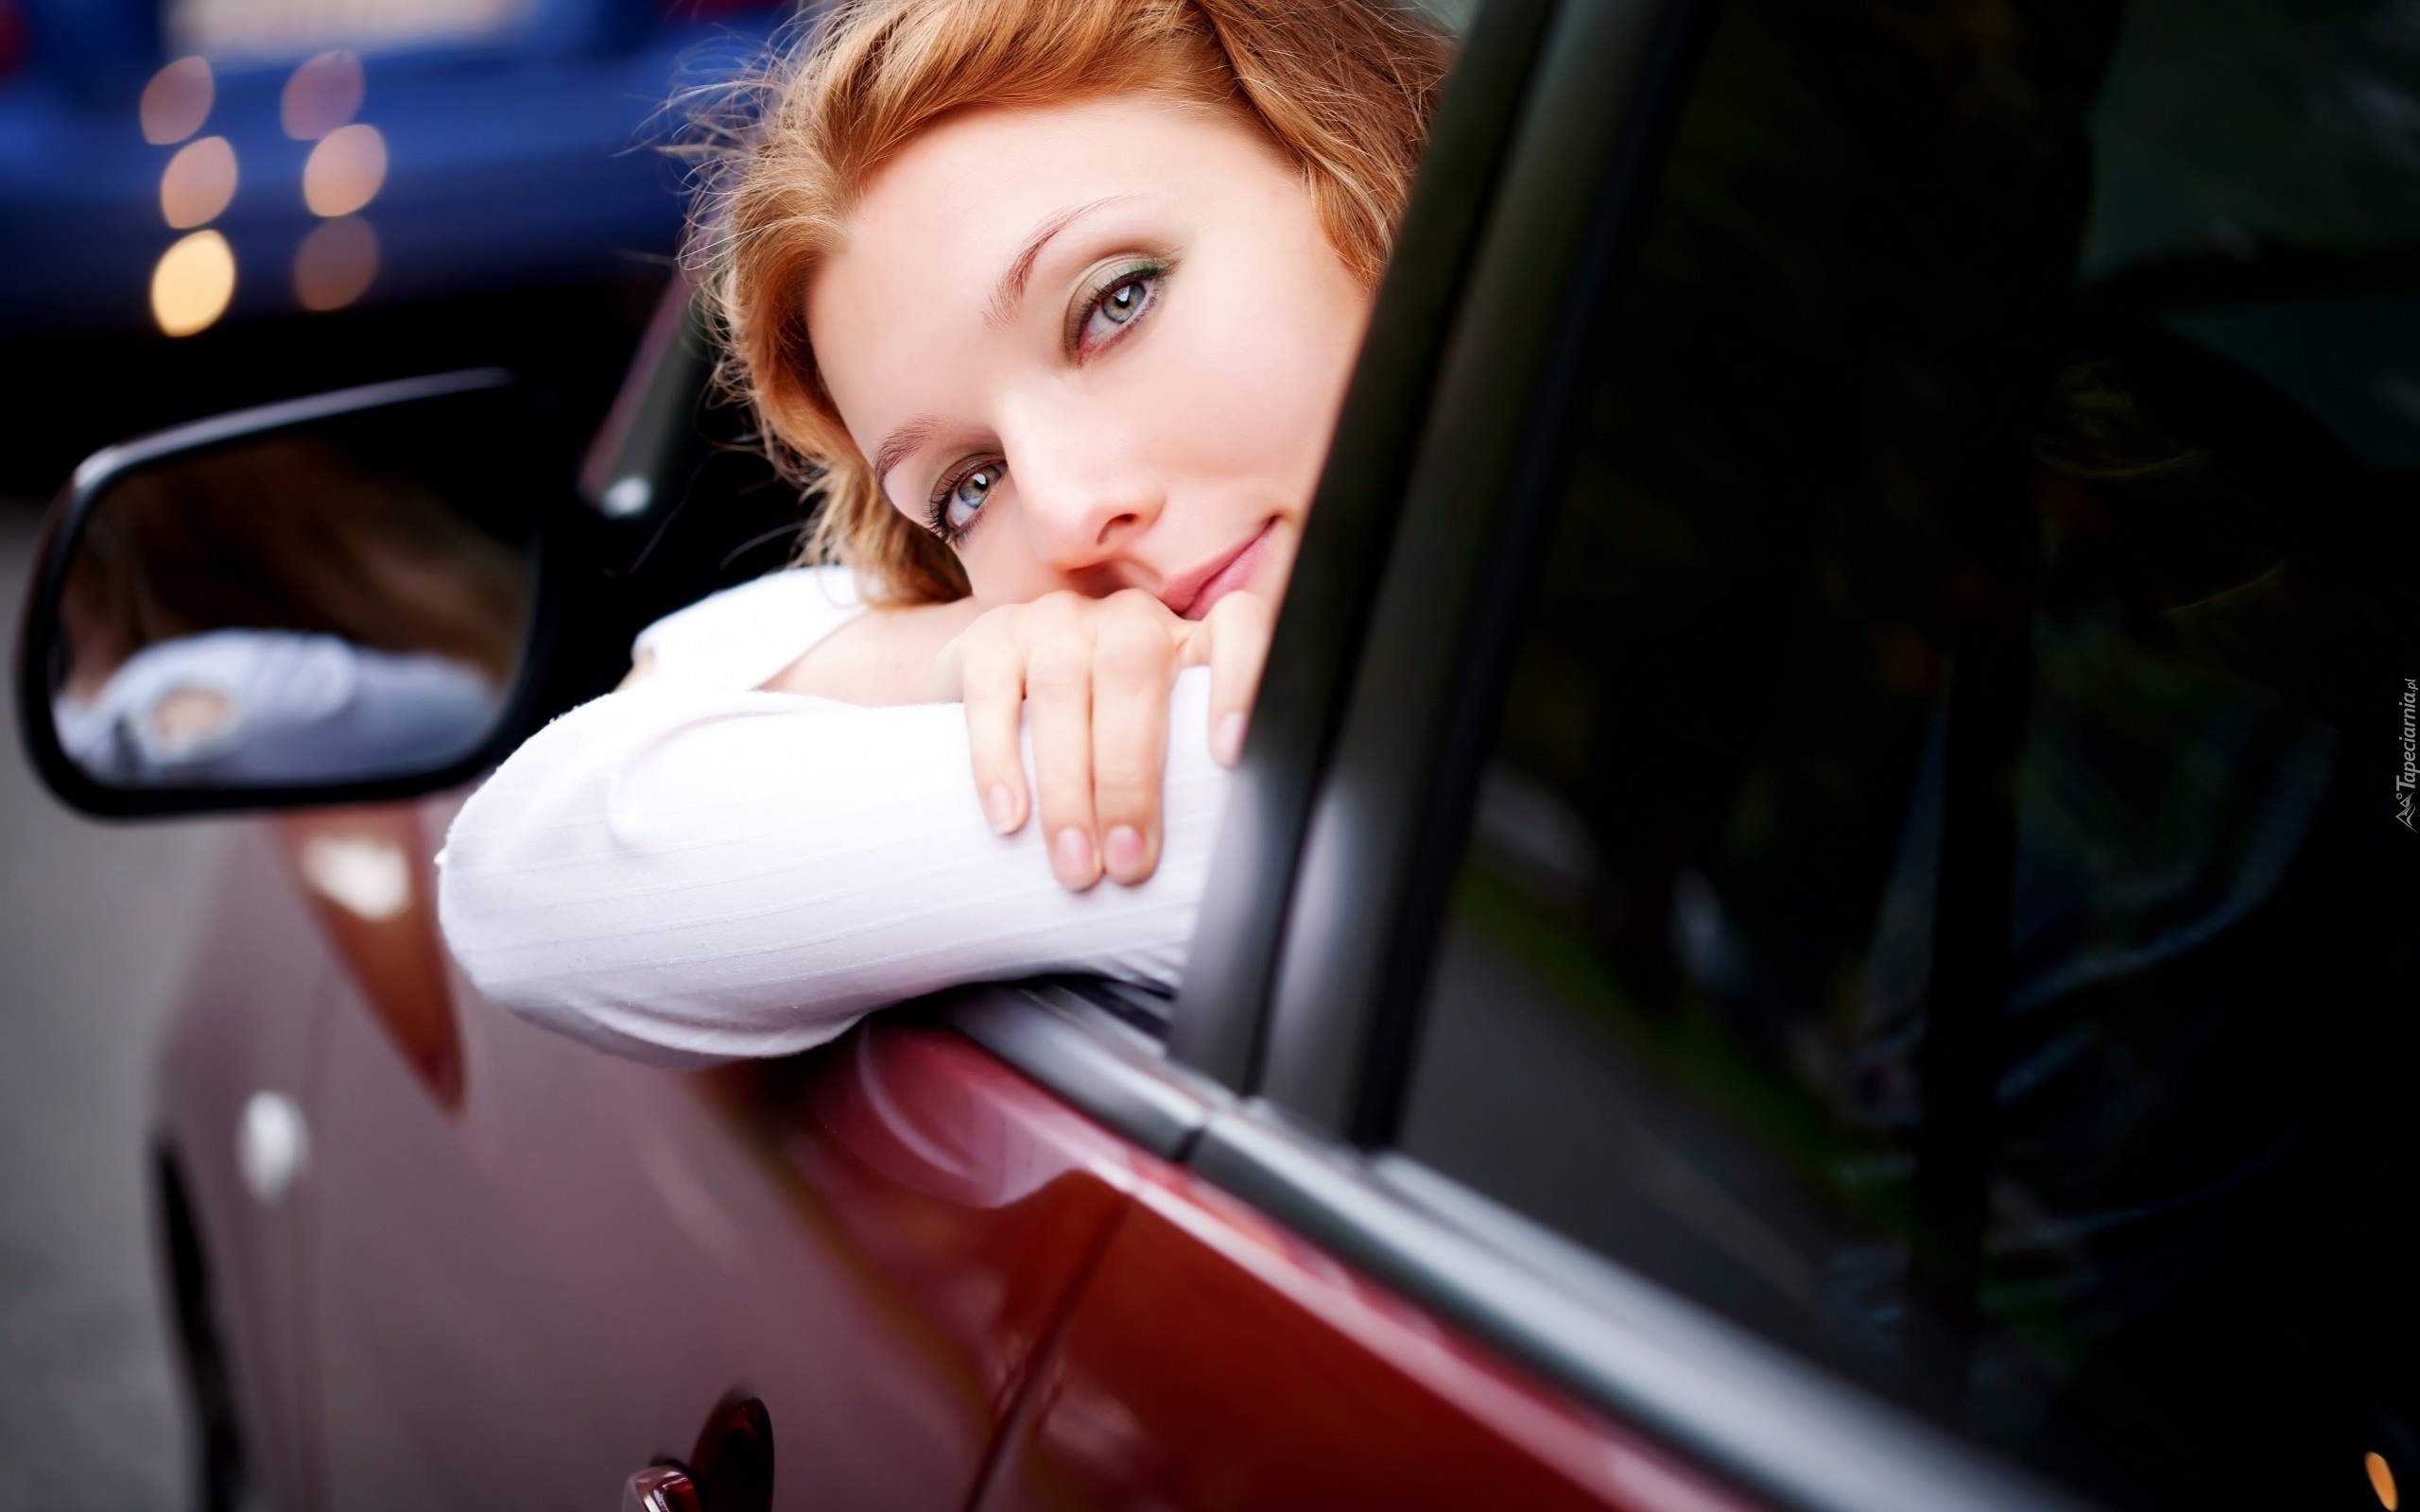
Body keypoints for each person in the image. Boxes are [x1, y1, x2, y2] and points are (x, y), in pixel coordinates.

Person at [435, 0, 1452, 1063]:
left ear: (1373, 170)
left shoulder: (1301, 782)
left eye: (1114, 304)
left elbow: (531, 884)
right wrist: (962, 651)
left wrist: (918, 668)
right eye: (971, 488)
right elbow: (534, 857)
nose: (1066, 516)